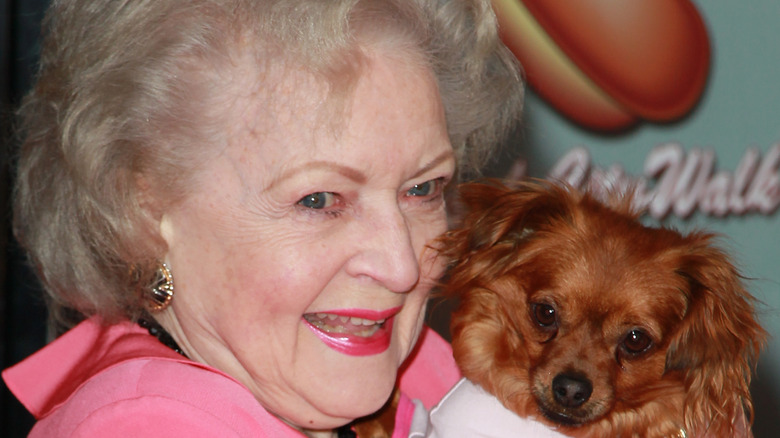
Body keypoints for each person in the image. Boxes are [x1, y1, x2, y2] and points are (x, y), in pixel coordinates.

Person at [2, 0, 523, 436]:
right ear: (145, 211)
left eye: (422, 189)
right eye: (319, 200)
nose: (402, 265)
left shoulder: (441, 382)